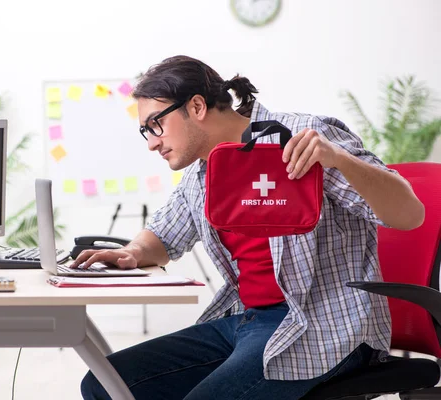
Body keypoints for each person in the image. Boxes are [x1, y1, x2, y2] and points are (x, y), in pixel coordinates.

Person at [72, 55, 425, 400]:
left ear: (196, 107)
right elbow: (163, 236)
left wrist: (339, 158)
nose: (152, 142)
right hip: (248, 321)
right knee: (103, 384)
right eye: (145, 131)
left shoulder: (304, 139)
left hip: (326, 327)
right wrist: (131, 253)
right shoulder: (202, 174)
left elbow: (409, 215)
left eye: (156, 125)